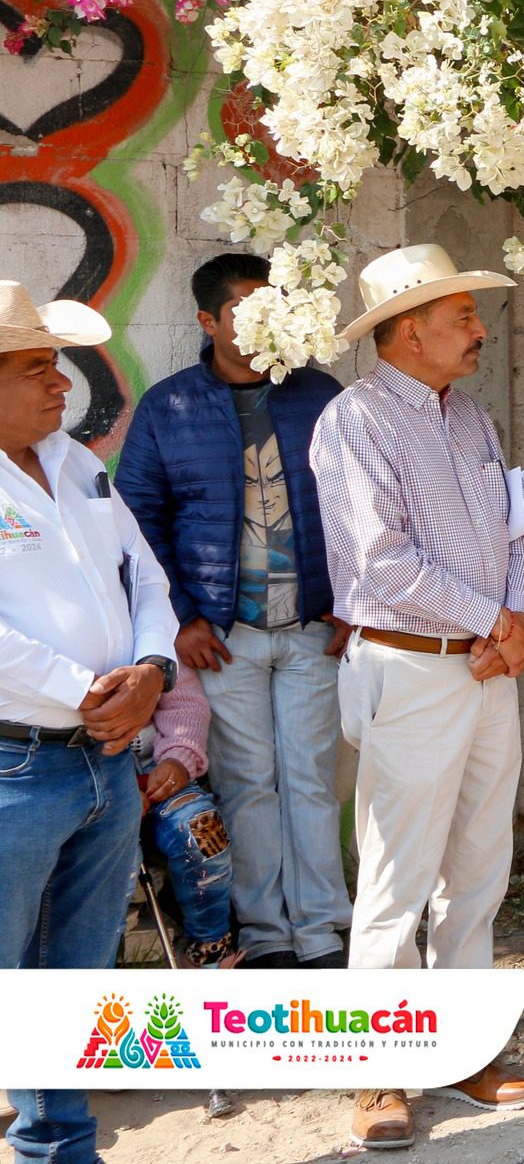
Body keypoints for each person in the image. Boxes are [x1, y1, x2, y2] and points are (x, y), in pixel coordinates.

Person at [310, 244, 524, 1150]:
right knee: (395, 883)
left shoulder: (472, 418)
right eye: (462, 319)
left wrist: (513, 618)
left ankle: (461, 1050)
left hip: (487, 668)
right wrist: (496, 619)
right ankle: (379, 1073)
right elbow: (379, 562)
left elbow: (520, 525)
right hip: (411, 671)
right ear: (410, 333)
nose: (480, 331)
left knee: (479, 872)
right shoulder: (355, 421)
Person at [115, 251, 351, 969]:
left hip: (314, 626)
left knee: (313, 776)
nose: (259, 323)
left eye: (271, 308)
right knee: (247, 782)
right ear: (208, 320)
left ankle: (320, 931)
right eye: (244, 309)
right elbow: (138, 520)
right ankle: (266, 934)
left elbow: (356, 505)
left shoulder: (319, 394)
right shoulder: (170, 406)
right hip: (224, 636)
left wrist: (351, 601)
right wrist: (183, 615)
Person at [0, 280, 177, 1163]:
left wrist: (151, 672)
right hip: (15, 767)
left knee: (74, 982)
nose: (60, 384)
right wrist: (91, 689)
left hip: (106, 761)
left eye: (58, 367)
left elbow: (144, 576)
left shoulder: (77, 463)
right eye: (36, 370)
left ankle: (59, 1147)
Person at [139, 671, 238, 968]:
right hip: (87, 783)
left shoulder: (148, 628)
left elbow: (186, 705)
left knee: (203, 829)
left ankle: (207, 953)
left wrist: (178, 759)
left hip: (159, 775)